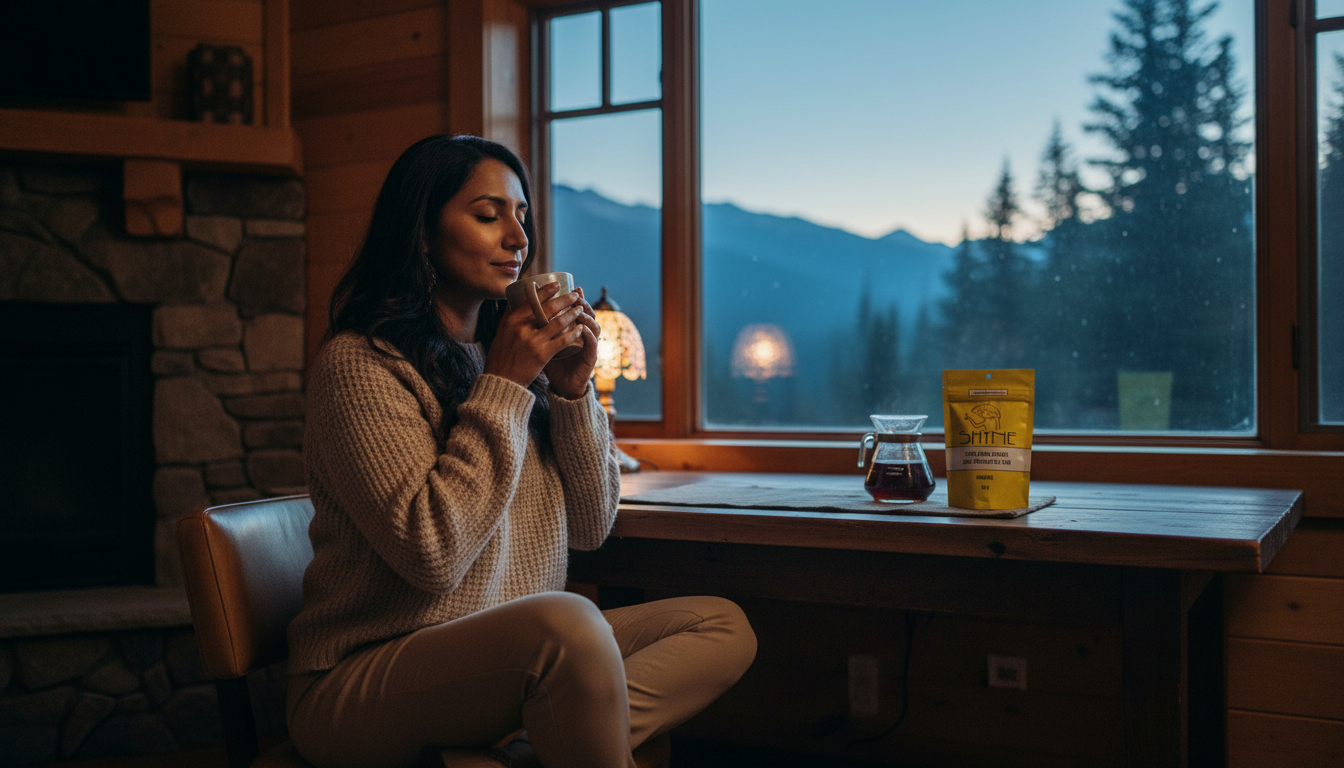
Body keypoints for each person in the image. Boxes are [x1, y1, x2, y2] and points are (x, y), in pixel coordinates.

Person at [285, 134, 757, 768]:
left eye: (522, 216)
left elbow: (592, 528)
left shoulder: (513, 361)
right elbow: (433, 555)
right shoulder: (361, 364)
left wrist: (570, 391)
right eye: (488, 215)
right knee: (569, 627)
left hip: (514, 666)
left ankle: (536, 746)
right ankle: (555, 736)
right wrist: (504, 387)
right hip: (363, 681)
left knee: (720, 628)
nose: (518, 237)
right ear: (422, 232)